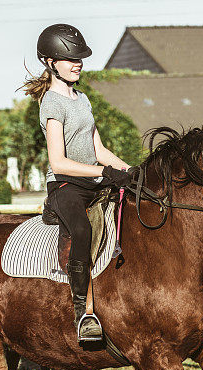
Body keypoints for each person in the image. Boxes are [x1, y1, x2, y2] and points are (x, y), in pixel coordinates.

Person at [23, 23, 134, 342]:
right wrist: (102, 174)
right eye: (69, 58)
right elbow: (58, 162)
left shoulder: (82, 99)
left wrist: (129, 169)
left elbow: (99, 149)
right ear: (49, 62)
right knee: (83, 230)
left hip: (93, 180)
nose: (77, 63)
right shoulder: (51, 104)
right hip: (65, 186)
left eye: (79, 57)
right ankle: (82, 314)